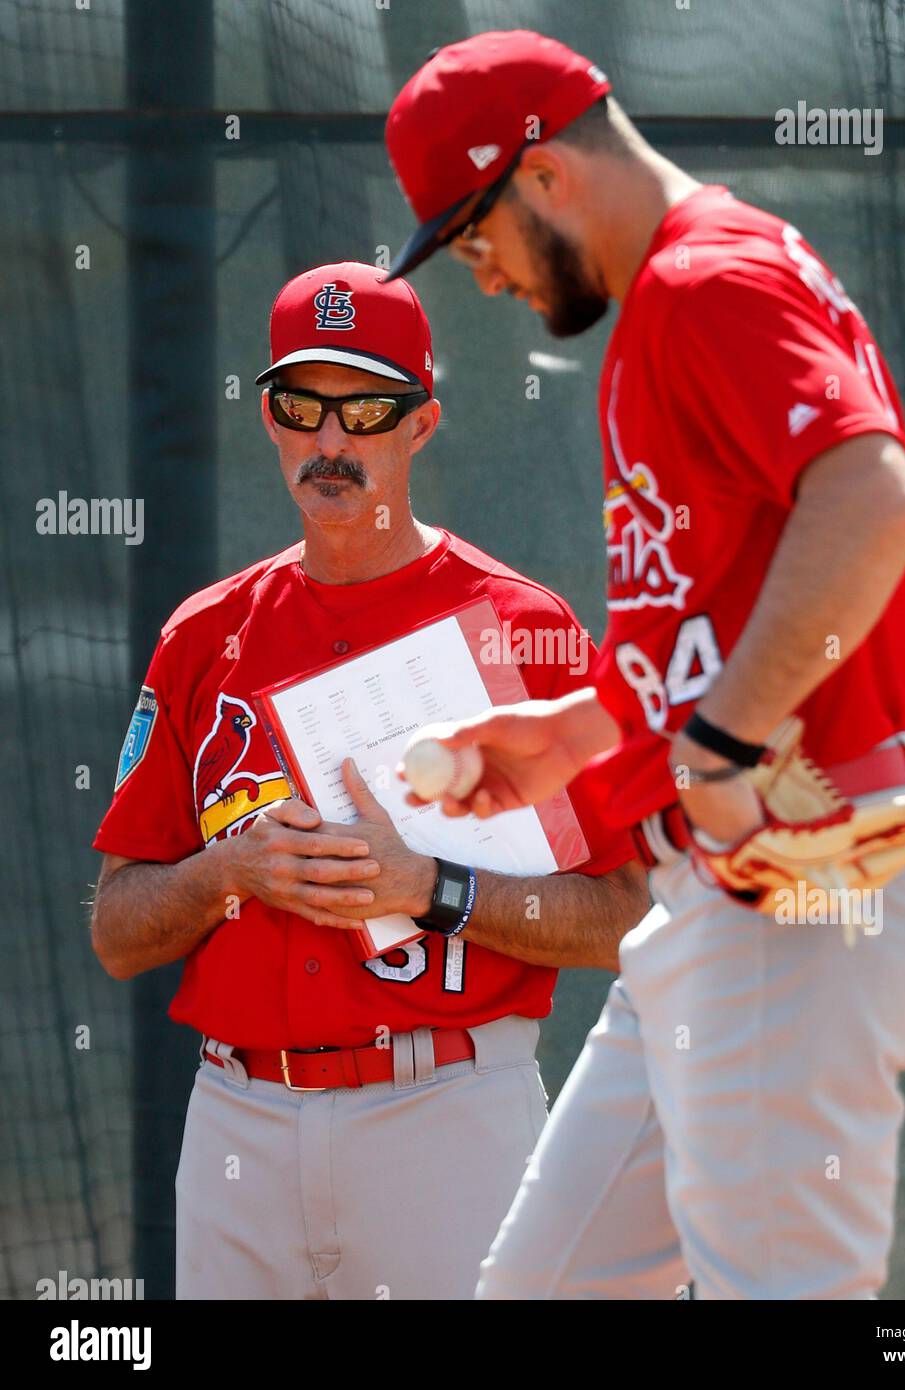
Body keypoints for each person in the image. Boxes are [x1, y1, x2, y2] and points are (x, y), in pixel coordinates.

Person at [383, 31, 905, 1299]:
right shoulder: (674, 295)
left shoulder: (709, 278)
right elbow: (713, 612)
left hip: (795, 881)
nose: (477, 277)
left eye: (470, 235)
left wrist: (720, 744)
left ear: (540, 173)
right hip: (710, 902)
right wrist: (581, 731)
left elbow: (873, 503)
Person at [90, 259, 648, 1301]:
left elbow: (625, 917)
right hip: (238, 1116)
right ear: (270, 417)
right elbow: (119, 930)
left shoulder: (523, 631)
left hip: (446, 1110)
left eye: (367, 407)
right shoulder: (204, 638)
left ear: (421, 424)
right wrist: (230, 870)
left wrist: (432, 885)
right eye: (303, 405)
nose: (331, 440)